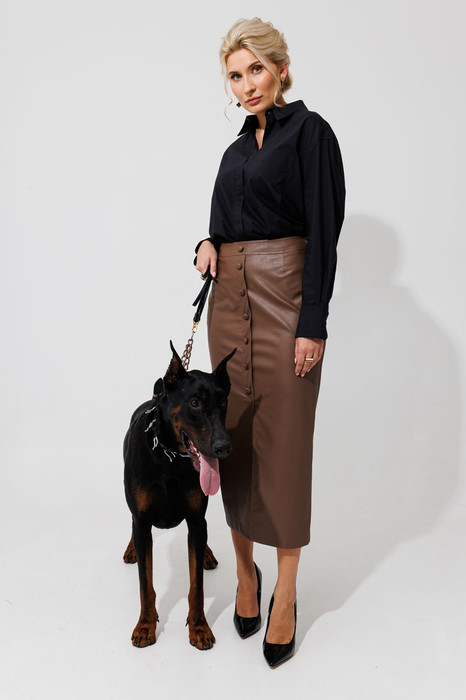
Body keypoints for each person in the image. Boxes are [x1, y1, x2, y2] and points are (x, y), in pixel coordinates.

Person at [193, 17, 345, 667]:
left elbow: (324, 232)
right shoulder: (233, 154)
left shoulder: (311, 134)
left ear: (281, 68)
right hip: (229, 307)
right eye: (235, 75)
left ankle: (285, 591)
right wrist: (205, 243)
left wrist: (313, 322)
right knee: (230, 439)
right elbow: (220, 226)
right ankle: (244, 573)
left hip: (285, 301)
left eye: (256, 68)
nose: (246, 84)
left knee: (284, 445)